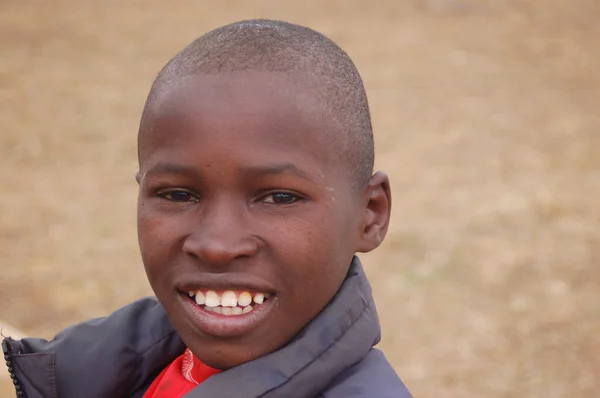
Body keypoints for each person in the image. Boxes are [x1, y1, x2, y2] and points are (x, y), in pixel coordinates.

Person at [2, 19, 412, 398]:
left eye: (279, 198)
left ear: (370, 214)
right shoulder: (129, 359)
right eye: (179, 195)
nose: (216, 245)